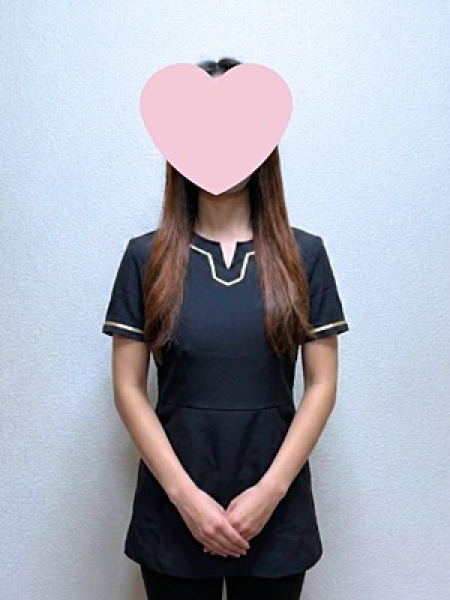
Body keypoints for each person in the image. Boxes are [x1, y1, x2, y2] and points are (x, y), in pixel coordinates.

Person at [101, 56, 350, 600]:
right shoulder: (145, 257)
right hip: (173, 506)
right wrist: (185, 499)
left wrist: (269, 493)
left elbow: (322, 384)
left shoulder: (305, 255)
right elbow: (127, 388)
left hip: (276, 506)